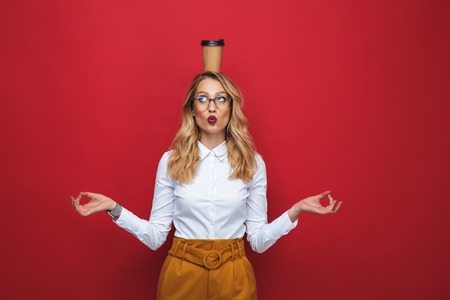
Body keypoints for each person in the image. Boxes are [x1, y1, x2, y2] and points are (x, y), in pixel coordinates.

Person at [71, 71, 342, 300]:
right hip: (181, 275)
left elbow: (257, 241)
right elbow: (155, 237)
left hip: (234, 276)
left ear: (230, 108)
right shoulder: (171, 162)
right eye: (203, 99)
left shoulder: (253, 164)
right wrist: (114, 208)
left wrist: (295, 211)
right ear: (192, 108)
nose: (211, 107)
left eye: (220, 99)